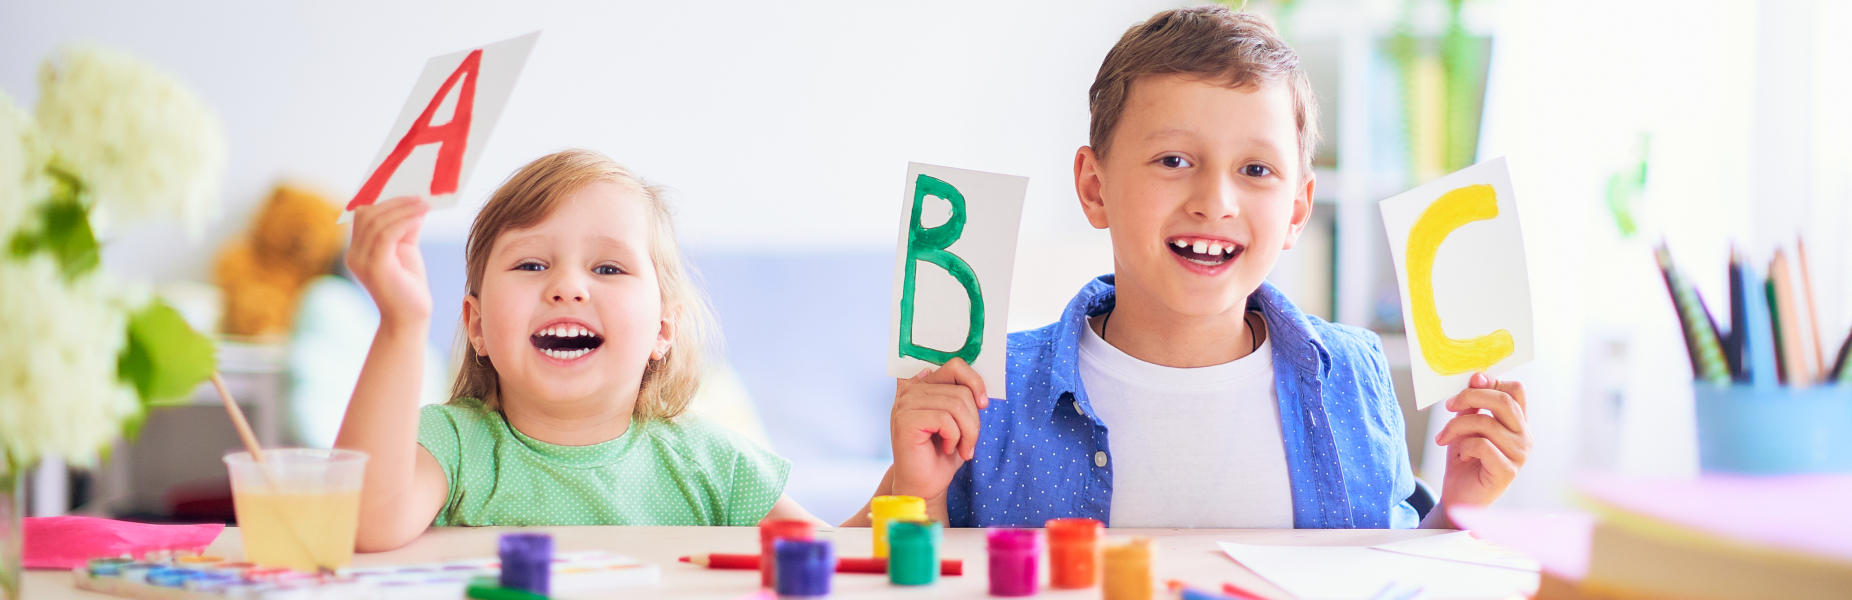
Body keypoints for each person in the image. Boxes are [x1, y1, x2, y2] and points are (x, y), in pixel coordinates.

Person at [846, 6, 1531, 529]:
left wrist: (1460, 512)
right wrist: (914, 491)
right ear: (1094, 188)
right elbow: (879, 574)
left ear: (1297, 210)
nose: (1216, 202)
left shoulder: (1354, 375)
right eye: (1174, 160)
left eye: (1256, 170)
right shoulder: (990, 397)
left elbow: (1397, 578)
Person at [339, 149, 820, 551]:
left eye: (609, 269)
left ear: (662, 329)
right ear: (477, 325)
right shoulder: (451, 445)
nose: (567, 287)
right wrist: (401, 323)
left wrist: (899, 476)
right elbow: (361, 524)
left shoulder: (713, 462)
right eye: (530, 264)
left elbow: (833, 560)